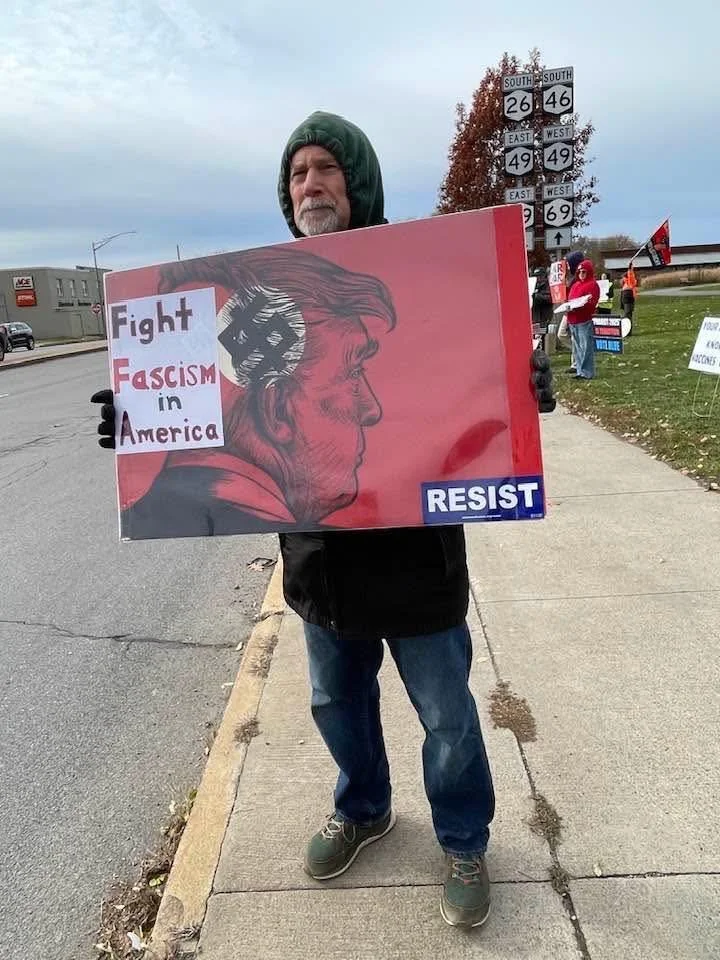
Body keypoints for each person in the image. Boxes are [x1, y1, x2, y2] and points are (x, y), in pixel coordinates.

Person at [91, 111, 556, 929]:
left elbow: (471, 383)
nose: (310, 185)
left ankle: (463, 839)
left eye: (325, 170)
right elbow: (207, 399)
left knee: (446, 715)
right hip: (320, 563)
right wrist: (136, 420)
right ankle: (364, 809)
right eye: (298, 174)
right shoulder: (266, 294)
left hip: (417, 560)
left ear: (359, 182)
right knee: (336, 706)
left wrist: (524, 386)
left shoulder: (420, 275)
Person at [566, 259, 600, 380]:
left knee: (586, 347)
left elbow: (592, 303)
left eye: (584, 272)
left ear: (589, 272)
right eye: (579, 272)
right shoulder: (575, 285)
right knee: (577, 348)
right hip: (573, 320)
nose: (581, 274)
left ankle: (587, 372)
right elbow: (570, 299)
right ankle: (580, 371)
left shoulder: (592, 285)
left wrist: (581, 306)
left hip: (583, 320)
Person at [531, 267, 553, 348]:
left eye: (539, 276)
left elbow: (550, 298)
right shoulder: (534, 285)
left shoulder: (548, 286)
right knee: (535, 340)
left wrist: (536, 296)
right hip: (535, 317)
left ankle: (542, 358)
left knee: (541, 340)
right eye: (536, 276)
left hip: (543, 318)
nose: (537, 278)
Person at [620, 263, 638, 331]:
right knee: (628, 314)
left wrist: (630, 269)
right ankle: (627, 330)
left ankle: (628, 330)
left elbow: (631, 275)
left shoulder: (628, 282)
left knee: (628, 314)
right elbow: (630, 275)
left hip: (627, 296)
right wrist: (630, 269)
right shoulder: (629, 281)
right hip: (627, 296)